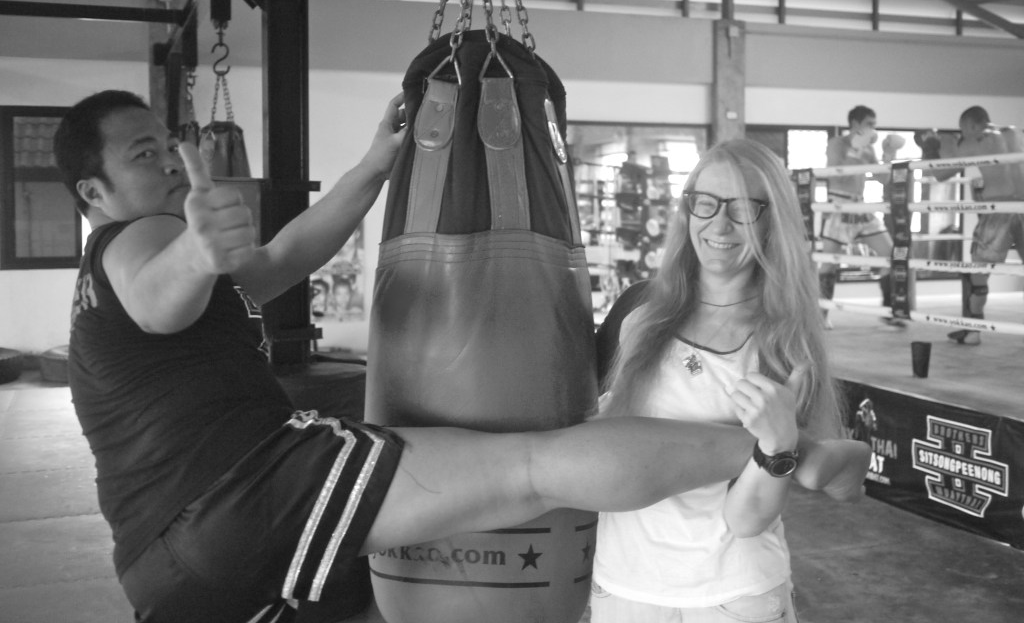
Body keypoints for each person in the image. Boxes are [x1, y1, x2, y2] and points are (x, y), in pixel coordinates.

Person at [54, 90, 862, 623]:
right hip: (237, 491)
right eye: (140, 155)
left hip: (168, 576)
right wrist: (195, 251)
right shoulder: (137, 243)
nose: (164, 162)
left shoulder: (113, 290)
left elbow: (275, 262)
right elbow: (158, 288)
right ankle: (790, 451)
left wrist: (376, 166)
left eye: (165, 145)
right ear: (93, 195)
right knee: (531, 467)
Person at [590, 138, 870, 623]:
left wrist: (781, 444)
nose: (719, 224)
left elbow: (750, 517)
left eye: (743, 209)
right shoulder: (639, 312)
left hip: (731, 593)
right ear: (687, 210)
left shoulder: (784, 340)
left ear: (771, 220)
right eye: (706, 203)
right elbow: (595, 442)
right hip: (624, 582)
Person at [933, 105, 1024, 345]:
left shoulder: (976, 141)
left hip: (999, 212)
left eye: (963, 129)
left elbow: (941, 175)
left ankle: (973, 330)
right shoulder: (1015, 133)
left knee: (978, 275)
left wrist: (939, 146)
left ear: (971, 125)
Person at [818, 105, 905, 327]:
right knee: (828, 265)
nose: (873, 128)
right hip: (839, 205)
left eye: (874, 124)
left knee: (892, 255)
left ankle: (889, 311)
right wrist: (856, 151)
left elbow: (883, 179)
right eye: (869, 124)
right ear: (855, 124)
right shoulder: (837, 144)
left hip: (860, 207)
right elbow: (837, 171)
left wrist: (888, 155)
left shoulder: (868, 148)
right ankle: (820, 317)